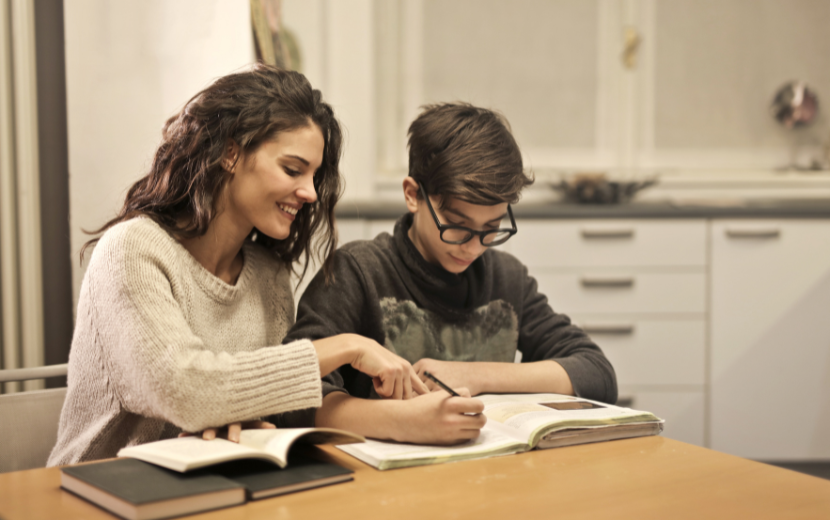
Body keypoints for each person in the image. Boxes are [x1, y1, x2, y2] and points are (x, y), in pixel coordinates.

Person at [48, 64, 427, 466]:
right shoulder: (131, 251)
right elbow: (187, 391)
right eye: (293, 170)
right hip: (95, 485)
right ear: (231, 153)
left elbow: (257, 406)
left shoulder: (268, 276)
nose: (310, 193)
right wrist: (348, 346)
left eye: (314, 176)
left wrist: (241, 417)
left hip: (211, 482)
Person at [285, 102, 617, 444]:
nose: (473, 248)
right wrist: (400, 421)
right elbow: (288, 395)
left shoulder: (507, 278)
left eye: (491, 227)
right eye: (457, 225)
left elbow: (596, 373)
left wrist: (475, 375)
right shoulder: (357, 272)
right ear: (413, 195)